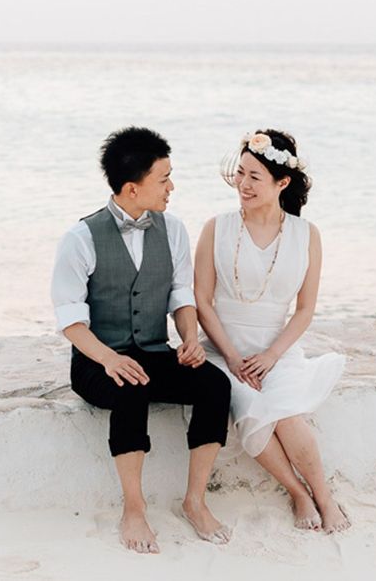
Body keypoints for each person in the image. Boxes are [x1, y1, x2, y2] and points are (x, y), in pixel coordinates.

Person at [51, 127, 233, 554]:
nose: (172, 187)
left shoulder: (172, 230)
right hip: (97, 360)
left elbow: (180, 296)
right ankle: (134, 508)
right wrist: (109, 359)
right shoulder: (79, 238)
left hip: (153, 352)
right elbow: (71, 320)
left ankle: (195, 500)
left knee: (215, 385)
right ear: (132, 188)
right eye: (164, 179)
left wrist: (189, 338)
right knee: (131, 387)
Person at [194, 129, 350, 534]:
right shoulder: (217, 228)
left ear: (282, 182)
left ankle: (324, 497)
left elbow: (304, 310)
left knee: (287, 414)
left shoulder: (306, 235)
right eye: (240, 173)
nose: (243, 185)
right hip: (222, 351)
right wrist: (230, 355)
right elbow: (202, 301)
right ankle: (298, 493)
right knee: (253, 410)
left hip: (275, 351)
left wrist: (271, 356)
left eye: (254, 177)